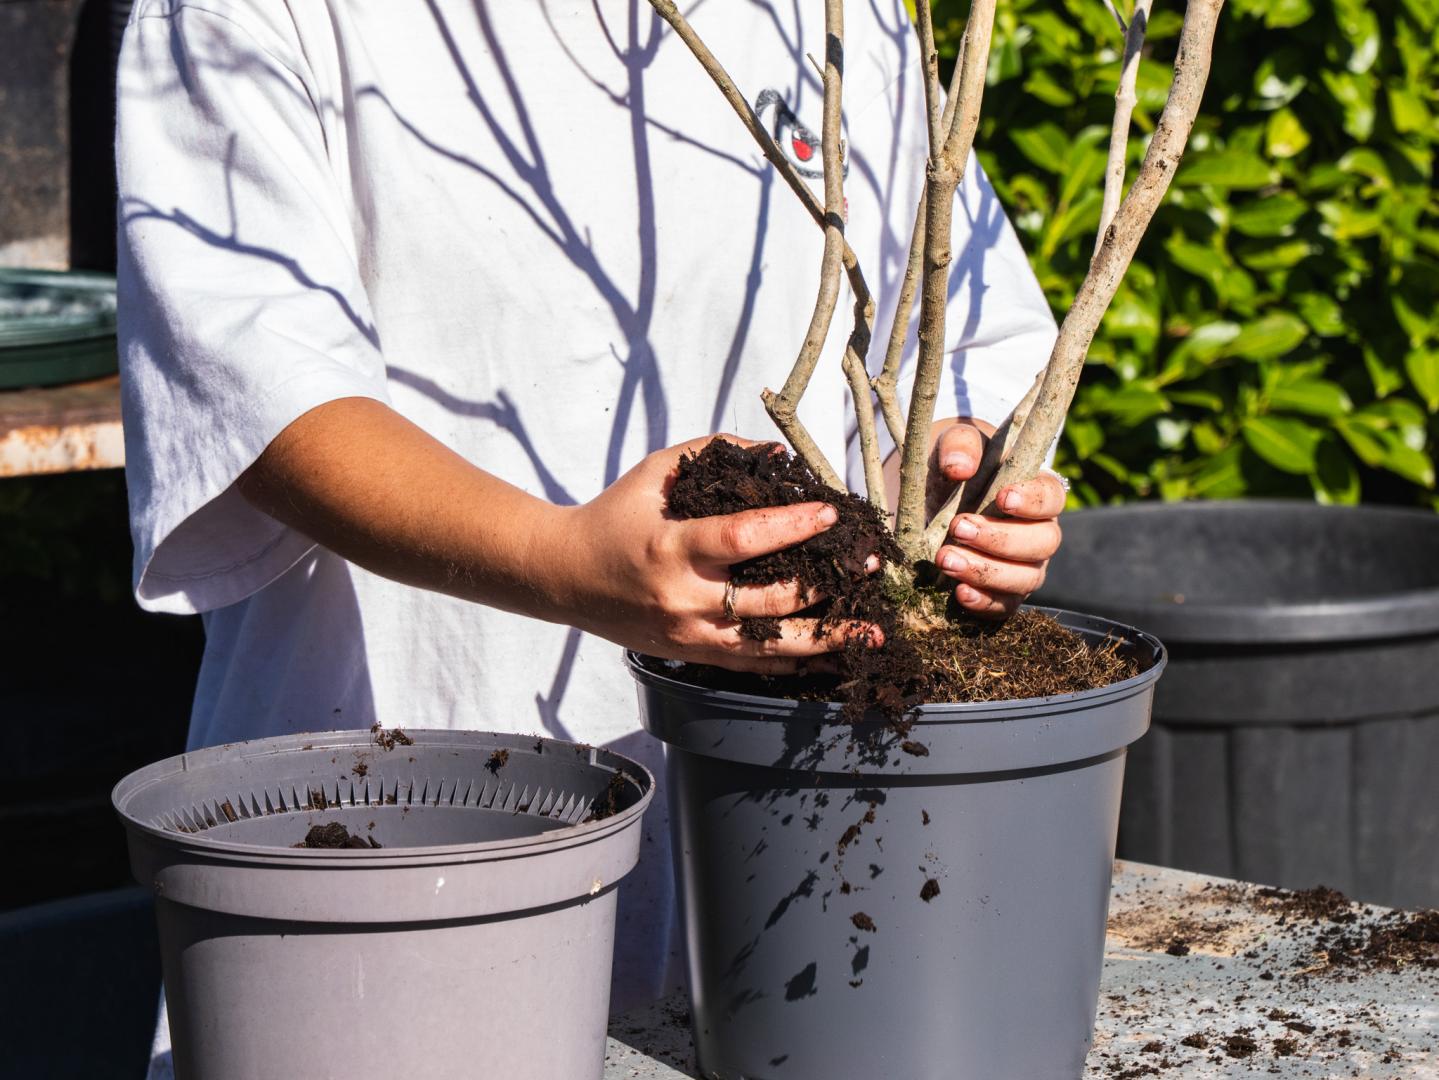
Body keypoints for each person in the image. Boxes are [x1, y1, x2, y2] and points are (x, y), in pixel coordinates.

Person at [117, 1, 1066, 1062]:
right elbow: (257, 393)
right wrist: (556, 561)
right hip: (385, 833)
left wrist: (954, 482)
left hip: (796, 860)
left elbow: (961, 336)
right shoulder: (249, 15)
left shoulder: (846, 23)